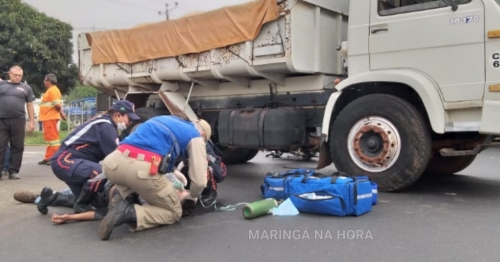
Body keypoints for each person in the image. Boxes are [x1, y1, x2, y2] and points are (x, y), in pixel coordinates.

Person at [98, 115, 212, 240]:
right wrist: (192, 195)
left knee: (138, 192)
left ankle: (128, 200)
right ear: (202, 134)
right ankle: (128, 212)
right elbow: (200, 182)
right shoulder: (196, 136)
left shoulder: (165, 120)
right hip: (139, 170)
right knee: (174, 212)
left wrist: (174, 172)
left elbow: (148, 146)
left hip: (112, 164)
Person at [36, 100, 140, 216]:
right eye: (129, 118)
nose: (130, 122)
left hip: (69, 163)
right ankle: (81, 206)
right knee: (103, 172)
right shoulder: (105, 126)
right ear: (117, 115)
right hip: (65, 161)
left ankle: (50, 196)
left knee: (99, 204)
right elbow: (117, 158)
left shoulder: (106, 124)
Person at [0, 65, 35, 180]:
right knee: (1, 146)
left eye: (20, 75)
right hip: (2, 120)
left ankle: (13, 171)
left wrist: (32, 122)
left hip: (18, 120)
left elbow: (30, 105)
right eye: (15, 75)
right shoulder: (2, 85)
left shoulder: (26, 88)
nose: (17, 77)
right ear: (9, 74)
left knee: (18, 146)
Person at [38, 73, 67, 165]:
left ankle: (55, 158)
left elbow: (57, 105)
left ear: (49, 81)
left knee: (53, 140)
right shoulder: (51, 90)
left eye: (45, 80)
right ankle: (48, 157)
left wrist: (61, 113)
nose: (44, 82)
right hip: (48, 117)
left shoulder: (53, 90)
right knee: (50, 140)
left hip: (50, 117)